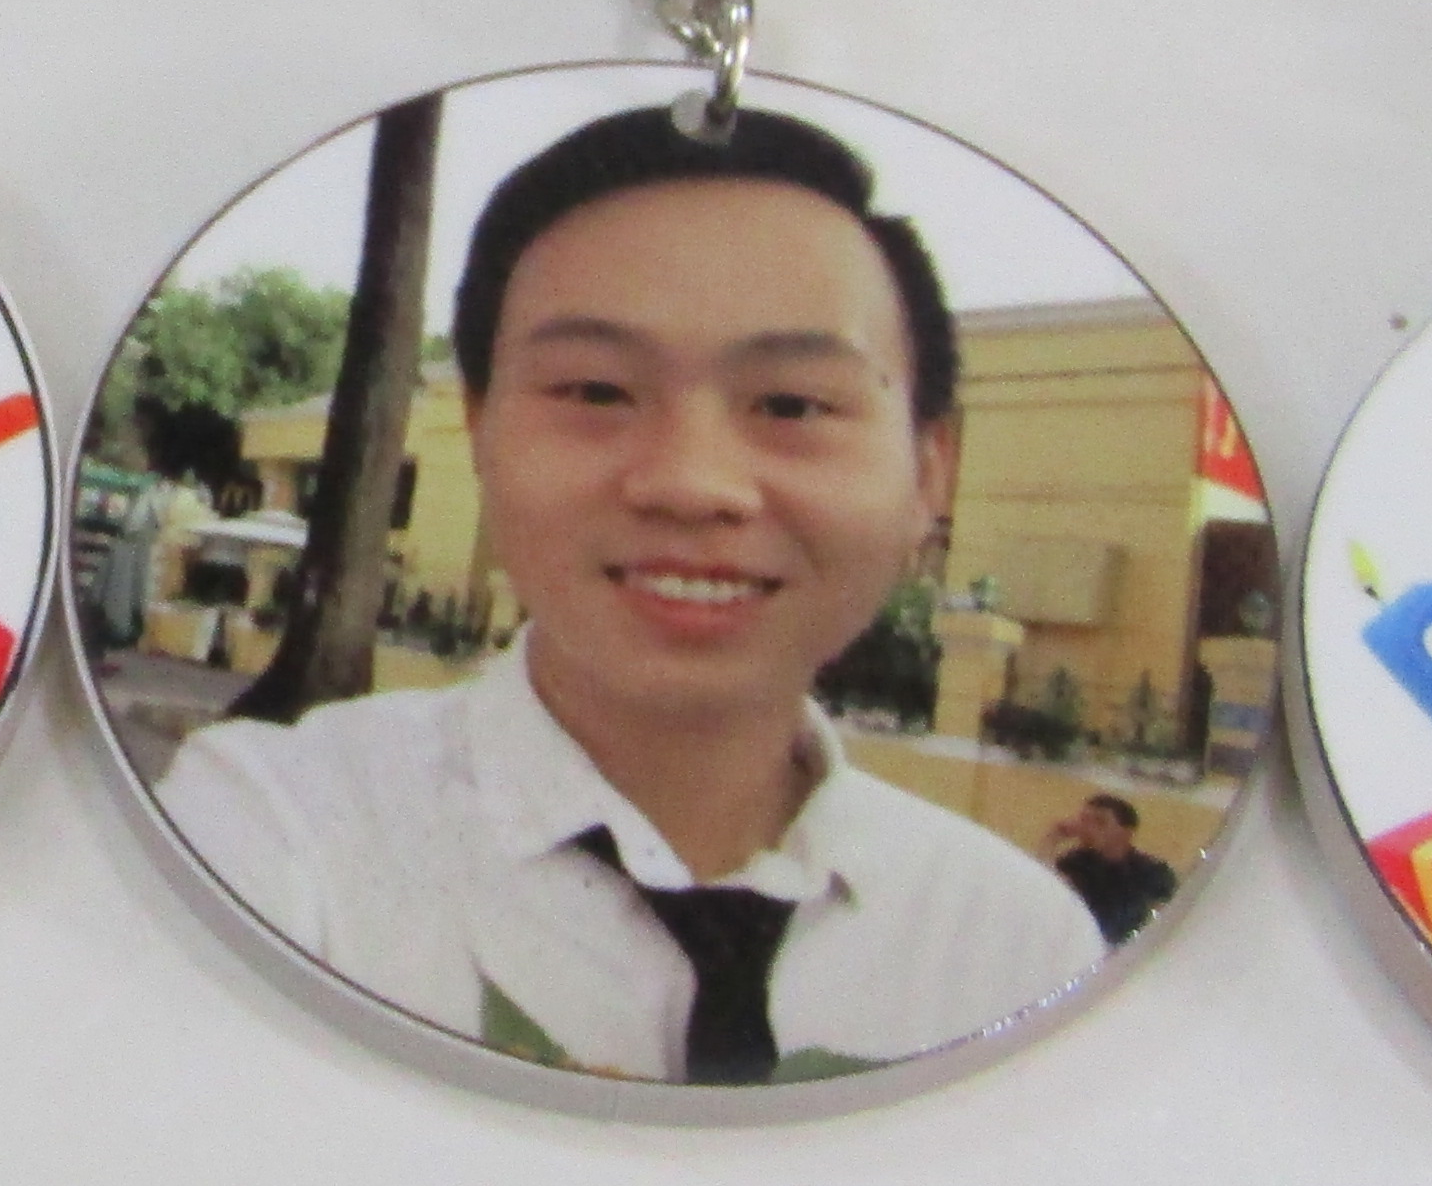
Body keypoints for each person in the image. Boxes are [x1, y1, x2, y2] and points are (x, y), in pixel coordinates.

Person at [161, 100, 1105, 1080]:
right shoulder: (272, 838)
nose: (690, 484)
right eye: (597, 392)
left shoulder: (1020, 955)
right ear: (479, 428)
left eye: (792, 403)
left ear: (930, 469)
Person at [1047, 789, 1182, 946]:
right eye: (1084, 821)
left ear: (1126, 833)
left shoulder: (1153, 872)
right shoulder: (1074, 864)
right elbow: (1048, 893)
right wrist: (1051, 839)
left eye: (1100, 822)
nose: (1088, 828)